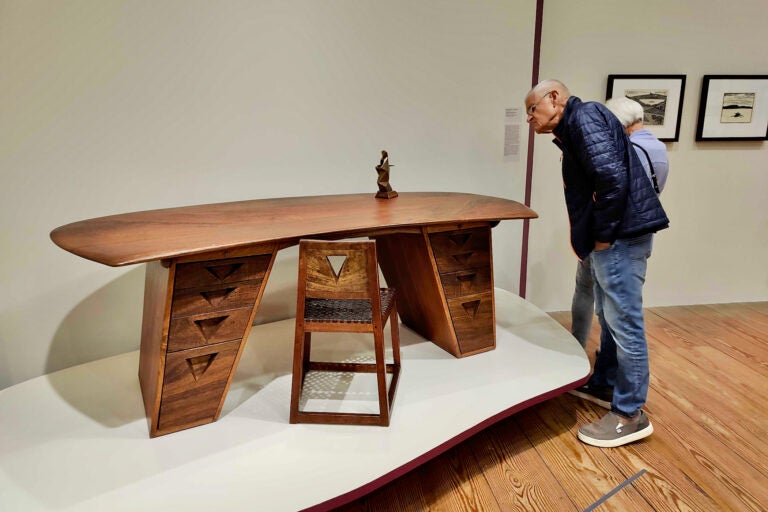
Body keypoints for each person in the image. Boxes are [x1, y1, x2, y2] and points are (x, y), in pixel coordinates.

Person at [524, 79, 669, 448]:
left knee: (625, 324)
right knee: (610, 316)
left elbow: (611, 179)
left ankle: (629, 415)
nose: (529, 118)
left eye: (532, 109)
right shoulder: (575, 126)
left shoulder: (584, 117)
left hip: (620, 238)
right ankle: (605, 383)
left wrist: (602, 235)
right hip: (616, 236)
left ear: (554, 98)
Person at [570, 97, 670, 349]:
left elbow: (610, 193)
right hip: (641, 235)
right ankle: (605, 363)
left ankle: (578, 349)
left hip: (612, 235)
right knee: (618, 306)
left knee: (593, 295)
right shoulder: (658, 148)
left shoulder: (625, 151)